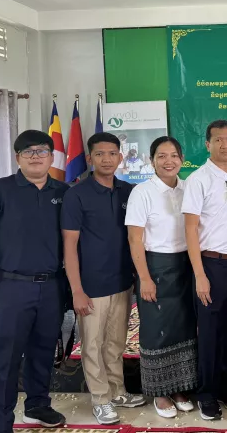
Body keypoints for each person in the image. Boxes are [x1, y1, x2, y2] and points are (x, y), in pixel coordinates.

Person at [0, 130, 69, 433]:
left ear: (52, 156)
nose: (36, 156)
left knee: (43, 351)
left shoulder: (64, 192)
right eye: (28, 152)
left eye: (42, 151)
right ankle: (0, 422)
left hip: (52, 286)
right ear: (17, 158)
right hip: (10, 287)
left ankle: (38, 405)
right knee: (7, 355)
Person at [61, 132, 145, 425]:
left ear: (121, 157)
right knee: (92, 344)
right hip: (91, 285)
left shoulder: (129, 192)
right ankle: (101, 399)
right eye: (99, 154)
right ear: (89, 158)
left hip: (122, 282)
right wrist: (77, 290)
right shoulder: (76, 194)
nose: (106, 159)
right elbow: (69, 246)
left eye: (112, 154)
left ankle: (118, 390)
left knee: (115, 343)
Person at [125, 136, 197, 418]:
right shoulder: (142, 192)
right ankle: (160, 393)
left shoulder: (188, 188)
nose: (168, 161)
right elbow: (134, 239)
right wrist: (144, 277)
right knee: (157, 329)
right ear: (152, 160)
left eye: (174, 156)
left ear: (182, 158)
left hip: (186, 265)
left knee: (184, 328)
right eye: (161, 156)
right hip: (155, 266)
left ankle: (180, 387)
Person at [182, 120, 227, 421]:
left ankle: (225, 387)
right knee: (209, 332)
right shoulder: (198, 179)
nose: (226, 145)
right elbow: (190, 229)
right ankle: (206, 394)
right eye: (219, 140)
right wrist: (200, 275)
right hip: (210, 264)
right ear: (207, 144)